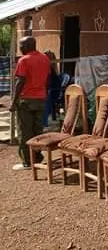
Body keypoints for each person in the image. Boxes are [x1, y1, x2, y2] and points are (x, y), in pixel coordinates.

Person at [10, 37, 51, 171]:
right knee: (37, 130)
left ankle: (27, 161)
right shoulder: (45, 58)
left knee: (24, 131)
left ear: (28, 46)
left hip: (26, 100)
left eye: (22, 46)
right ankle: (37, 158)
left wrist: (14, 101)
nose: (20, 49)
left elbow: (20, 81)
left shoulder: (24, 60)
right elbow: (48, 78)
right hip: (41, 99)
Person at [42, 51, 61, 127]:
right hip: (51, 91)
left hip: (53, 92)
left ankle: (44, 123)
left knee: (45, 98)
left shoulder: (51, 71)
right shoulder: (51, 69)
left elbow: (49, 84)